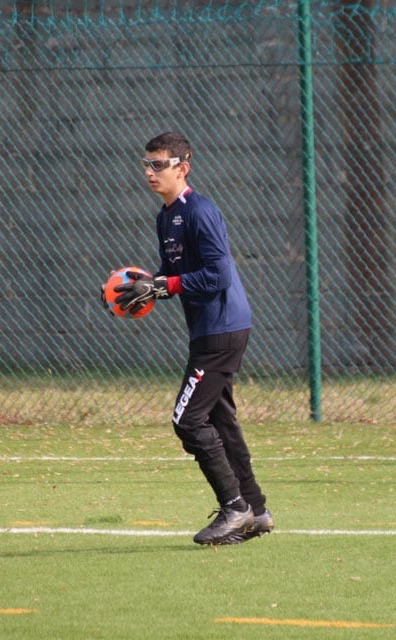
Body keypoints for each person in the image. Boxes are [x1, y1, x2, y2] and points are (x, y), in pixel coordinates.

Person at [112, 130, 272, 546]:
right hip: (209, 330)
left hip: (223, 328)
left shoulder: (200, 211)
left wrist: (163, 286)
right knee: (220, 421)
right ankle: (256, 511)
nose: (150, 172)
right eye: (146, 164)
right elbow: (173, 277)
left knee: (187, 421)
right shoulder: (165, 217)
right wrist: (143, 288)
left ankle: (235, 509)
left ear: (183, 167)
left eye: (159, 164)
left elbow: (218, 276)